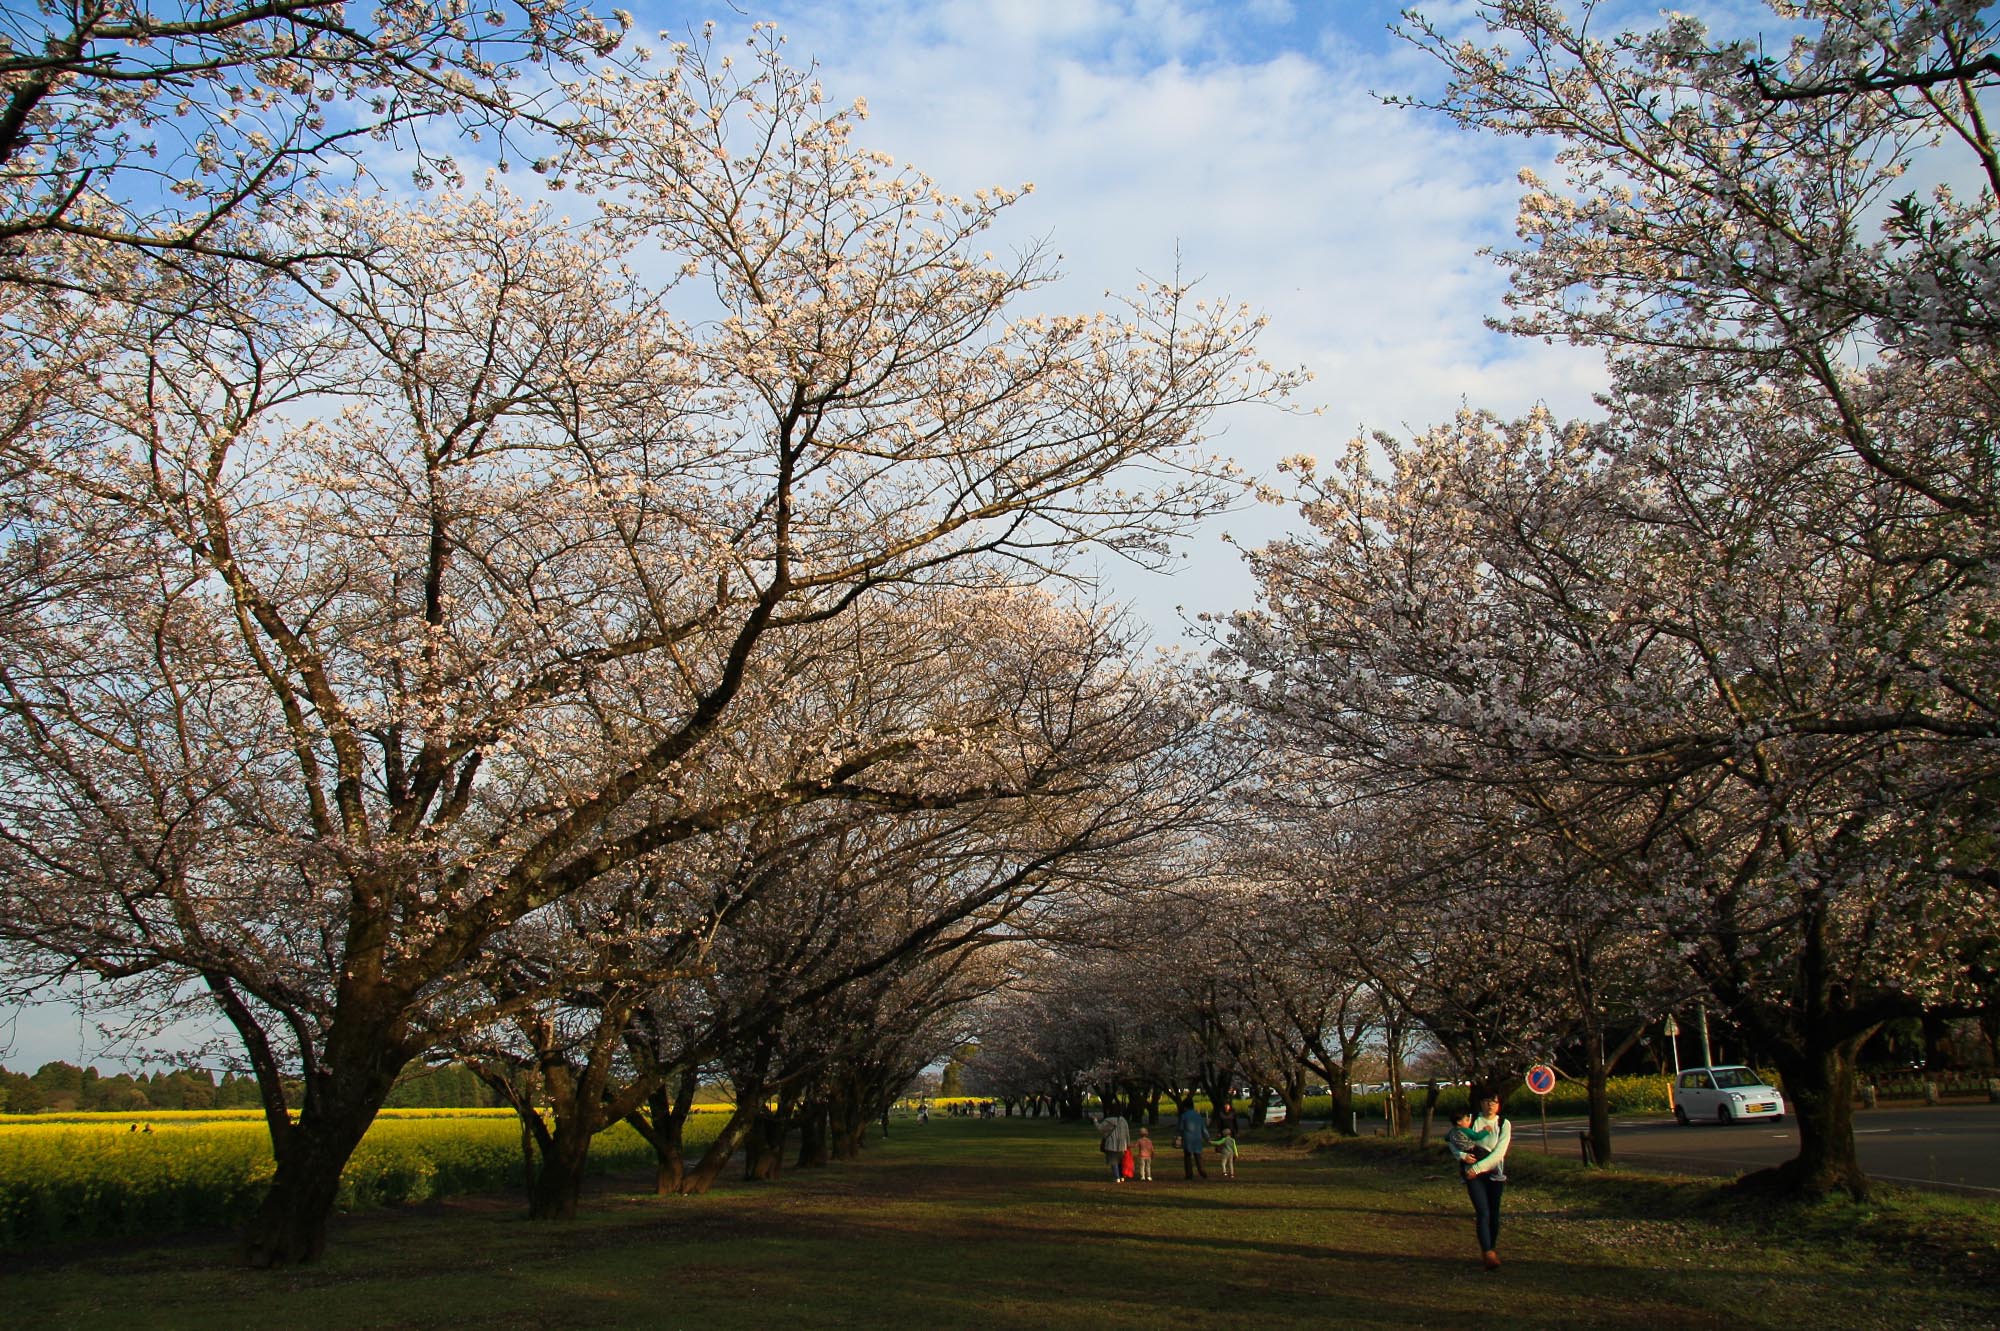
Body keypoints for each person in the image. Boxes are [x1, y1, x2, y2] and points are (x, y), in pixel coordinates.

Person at [1464, 1092, 1512, 1269]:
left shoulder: (1503, 1124)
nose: (1490, 1105)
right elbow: (1460, 1141)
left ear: (1499, 1104)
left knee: (1494, 1214)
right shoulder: (1473, 1120)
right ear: (1481, 1104)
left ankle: (1491, 1247)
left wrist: (1479, 1167)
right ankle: (1488, 1252)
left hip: (1494, 1172)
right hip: (1473, 1174)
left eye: (1494, 1101)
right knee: (1483, 1212)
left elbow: (1500, 1152)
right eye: (1486, 1101)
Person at [1176, 1098, 1209, 1179]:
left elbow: (1181, 1128)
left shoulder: (1184, 1116)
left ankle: (1189, 1174)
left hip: (1187, 1138)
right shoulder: (1198, 1115)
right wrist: (1207, 1137)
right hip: (1197, 1138)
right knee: (1198, 1156)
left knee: (1187, 1157)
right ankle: (1202, 1171)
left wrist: (1178, 1137)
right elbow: (1203, 1128)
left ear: (1185, 1107)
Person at [1097, 1110, 1132, 1183]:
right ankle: (1122, 1177)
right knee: (1121, 1162)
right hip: (1123, 1145)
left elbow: (1100, 1128)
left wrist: (1095, 1121)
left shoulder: (1108, 1121)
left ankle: (1117, 1177)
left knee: (1114, 1162)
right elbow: (1127, 1133)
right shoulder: (1123, 1121)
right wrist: (1128, 1144)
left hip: (1111, 1145)